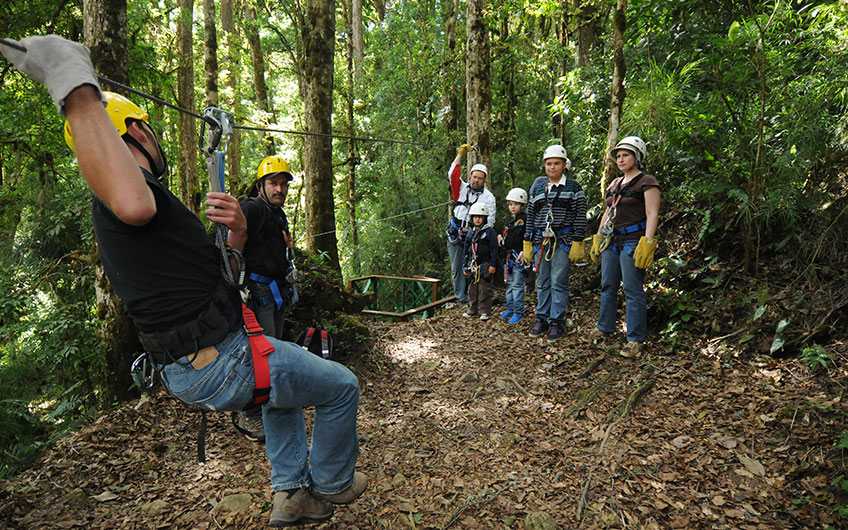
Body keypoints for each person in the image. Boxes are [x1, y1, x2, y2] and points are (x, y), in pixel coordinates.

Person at [1, 35, 366, 527]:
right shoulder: (125, 201)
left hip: (206, 356)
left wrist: (234, 235)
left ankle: (290, 495)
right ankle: (330, 484)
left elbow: (214, 276)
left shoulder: (140, 218)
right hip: (220, 359)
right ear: (132, 134)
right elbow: (133, 200)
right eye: (145, 130)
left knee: (285, 394)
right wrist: (73, 85)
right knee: (341, 385)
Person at [234, 156, 298, 443]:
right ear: (261, 185)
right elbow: (229, 248)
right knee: (260, 355)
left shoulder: (277, 213)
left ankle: (271, 406)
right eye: (273, 183)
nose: (280, 189)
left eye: (283, 185)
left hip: (276, 291)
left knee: (274, 351)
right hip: (257, 293)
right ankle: (252, 414)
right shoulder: (251, 209)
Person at [589, 136, 660, 358]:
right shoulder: (614, 184)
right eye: (618, 156)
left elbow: (652, 213)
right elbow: (608, 212)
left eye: (625, 155)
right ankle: (605, 327)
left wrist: (648, 242)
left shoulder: (646, 181)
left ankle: (635, 339)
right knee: (608, 285)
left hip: (633, 240)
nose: (620, 159)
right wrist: (599, 237)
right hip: (613, 240)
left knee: (632, 288)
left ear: (637, 157)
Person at [523, 144, 587, 341]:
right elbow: (531, 215)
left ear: (564, 164)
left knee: (558, 280)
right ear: (544, 165)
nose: (552, 167)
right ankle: (542, 318)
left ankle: (556, 321)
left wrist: (577, 240)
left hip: (563, 240)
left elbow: (580, 215)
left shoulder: (573, 187)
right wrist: (527, 241)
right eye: (549, 164)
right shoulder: (538, 188)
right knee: (542, 281)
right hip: (541, 241)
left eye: (556, 163)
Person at [446, 144, 496, 306]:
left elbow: (490, 220)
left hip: (475, 235)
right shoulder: (461, 188)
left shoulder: (488, 197)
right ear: (470, 176)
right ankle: (461, 298)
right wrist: (460, 154)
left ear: (485, 180)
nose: (476, 180)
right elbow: (452, 174)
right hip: (456, 233)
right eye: (474, 177)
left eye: (480, 178)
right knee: (457, 267)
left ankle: (478, 296)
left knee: (477, 266)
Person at [461, 202, 498, 320]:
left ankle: (485, 311)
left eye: (480, 217)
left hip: (485, 264)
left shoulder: (489, 231)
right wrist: (464, 265)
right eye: (475, 217)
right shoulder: (471, 233)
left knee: (484, 288)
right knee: (472, 288)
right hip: (473, 264)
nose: (477, 219)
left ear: (484, 218)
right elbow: (466, 249)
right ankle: (473, 308)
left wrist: (493, 264)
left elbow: (494, 249)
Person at [498, 188, 529, 324]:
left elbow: (528, 237)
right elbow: (505, 235)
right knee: (509, 284)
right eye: (510, 204)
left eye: (516, 204)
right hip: (508, 257)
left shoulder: (525, 220)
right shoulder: (509, 222)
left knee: (517, 285)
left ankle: (518, 311)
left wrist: (524, 250)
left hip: (518, 257)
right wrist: (500, 237)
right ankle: (509, 308)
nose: (512, 207)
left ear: (522, 205)